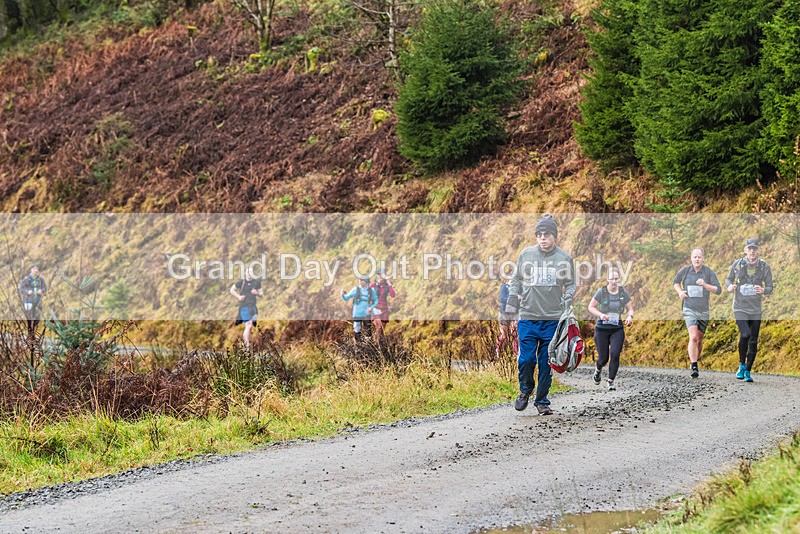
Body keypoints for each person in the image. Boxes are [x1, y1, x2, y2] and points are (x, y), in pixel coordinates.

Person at [506, 214, 576, 415]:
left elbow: (570, 283)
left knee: (546, 362)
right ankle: (525, 389)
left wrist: (568, 298)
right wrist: (512, 297)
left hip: (552, 319)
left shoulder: (564, 258)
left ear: (554, 236)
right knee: (526, 360)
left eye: (547, 234)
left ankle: (542, 401)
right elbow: (515, 279)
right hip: (528, 316)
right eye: (539, 235)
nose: (543, 238)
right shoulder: (526, 254)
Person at [725, 238, 773, 383]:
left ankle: (748, 370)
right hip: (740, 307)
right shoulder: (738, 264)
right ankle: (741, 364)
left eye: (754, 248)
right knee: (745, 334)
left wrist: (764, 290)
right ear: (745, 250)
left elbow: (770, 287)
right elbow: (728, 279)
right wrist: (730, 286)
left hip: (755, 309)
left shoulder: (764, 267)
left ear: (758, 250)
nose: (752, 251)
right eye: (749, 248)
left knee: (753, 340)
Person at [673, 248, 722, 378]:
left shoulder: (708, 272)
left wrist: (705, 285)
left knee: (699, 340)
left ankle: (695, 360)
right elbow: (675, 282)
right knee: (693, 337)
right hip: (689, 308)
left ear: (703, 258)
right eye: (695, 257)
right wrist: (680, 292)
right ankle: (694, 366)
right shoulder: (685, 271)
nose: (697, 259)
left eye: (699, 257)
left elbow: (718, 290)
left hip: (703, 310)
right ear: (691, 258)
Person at [587, 268, 633, 391]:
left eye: (616, 279)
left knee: (615, 354)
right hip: (602, 329)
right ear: (607, 280)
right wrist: (601, 315)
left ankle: (610, 381)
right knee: (603, 358)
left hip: (617, 328)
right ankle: (598, 370)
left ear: (618, 279)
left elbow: (630, 308)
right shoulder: (601, 292)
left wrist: (629, 317)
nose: (614, 281)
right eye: (611, 279)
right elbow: (591, 307)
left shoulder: (622, 293)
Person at [230, 268, 263, 348]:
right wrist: (239, 297)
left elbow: (262, 294)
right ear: (245, 273)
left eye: (252, 272)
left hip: (253, 306)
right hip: (243, 306)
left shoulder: (257, 282)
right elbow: (232, 290)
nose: (250, 274)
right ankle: (247, 346)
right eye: (249, 272)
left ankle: (248, 344)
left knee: (250, 327)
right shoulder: (241, 282)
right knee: (248, 325)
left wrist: (257, 293)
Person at [341, 276, 378, 342]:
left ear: (366, 282)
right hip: (357, 313)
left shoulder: (371, 290)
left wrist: (371, 307)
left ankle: (368, 345)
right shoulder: (355, 289)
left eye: (362, 280)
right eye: (360, 280)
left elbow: (376, 300)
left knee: (368, 329)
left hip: (367, 313)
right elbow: (346, 298)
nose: (360, 282)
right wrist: (342, 295)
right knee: (357, 328)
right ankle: (358, 345)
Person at [18, 264, 47, 338]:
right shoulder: (27, 279)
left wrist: (42, 290)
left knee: (37, 318)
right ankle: (30, 334)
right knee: (30, 318)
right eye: (34, 269)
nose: (36, 270)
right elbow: (20, 288)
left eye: (37, 269)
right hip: (28, 301)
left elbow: (45, 288)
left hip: (38, 302)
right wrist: (27, 292)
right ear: (31, 270)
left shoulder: (41, 279)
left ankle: (32, 332)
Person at [370, 269, 396, 340]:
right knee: (378, 328)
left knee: (381, 331)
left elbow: (393, 295)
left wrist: (389, 283)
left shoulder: (387, 286)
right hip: (376, 309)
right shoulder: (373, 285)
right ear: (377, 275)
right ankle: (376, 346)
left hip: (384, 309)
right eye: (379, 274)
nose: (381, 276)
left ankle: (379, 346)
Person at [496, 282, 519, 357]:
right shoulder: (505, 287)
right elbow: (502, 299)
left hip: (514, 314)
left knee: (515, 334)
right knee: (504, 335)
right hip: (504, 314)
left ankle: (516, 353)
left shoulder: (519, 288)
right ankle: (498, 350)